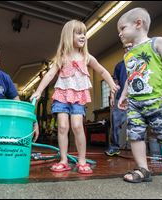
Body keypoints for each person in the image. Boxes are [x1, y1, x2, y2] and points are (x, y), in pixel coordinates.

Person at [30, 20, 119, 174]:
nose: (83, 36)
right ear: (68, 36)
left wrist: (112, 84)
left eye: (84, 33)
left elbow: (102, 71)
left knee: (77, 126)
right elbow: (50, 74)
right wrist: (38, 91)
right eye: (78, 33)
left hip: (78, 96)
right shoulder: (62, 57)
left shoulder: (86, 56)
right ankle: (63, 160)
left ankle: (82, 161)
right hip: (62, 95)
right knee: (63, 127)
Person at [117, 8, 162, 184]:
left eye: (122, 28)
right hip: (135, 105)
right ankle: (143, 169)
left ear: (138, 23)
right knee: (135, 136)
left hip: (158, 102)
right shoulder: (128, 54)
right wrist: (123, 95)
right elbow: (130, 78)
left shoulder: (157, 42)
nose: (120, 34)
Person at [104, 43, 132, 156]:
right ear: (124, 50)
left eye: (131, 46)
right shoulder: (119, 66)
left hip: (138, 97)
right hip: (121, 97)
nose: (128, 49)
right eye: (126, 47)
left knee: (140, 122)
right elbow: (115, 83)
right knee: (116, 123)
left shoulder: (141, 62)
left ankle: (142, 149)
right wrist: (112, 96)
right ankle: (115, 147)